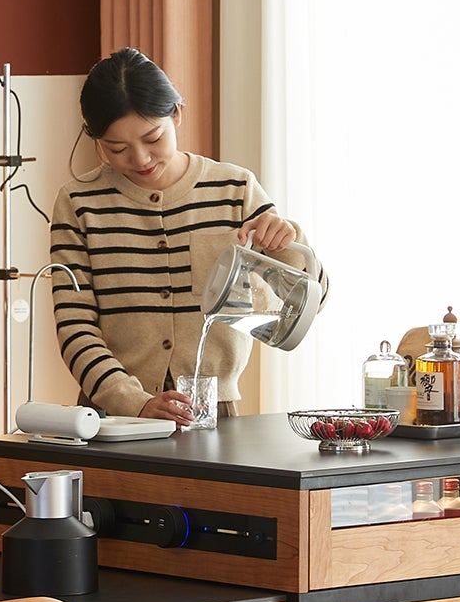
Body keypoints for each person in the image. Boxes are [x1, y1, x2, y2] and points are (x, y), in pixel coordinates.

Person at [50, 47, 325, 425]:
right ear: (95, 141)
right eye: (118, 149)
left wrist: (290, 242)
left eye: (153, 138)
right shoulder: (79, 202)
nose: (141, 159)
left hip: (214, 412)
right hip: (111, 417)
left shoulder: (235, 188)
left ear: (177, 113)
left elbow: (314, 300)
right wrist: (133, 401)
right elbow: (74, 325)